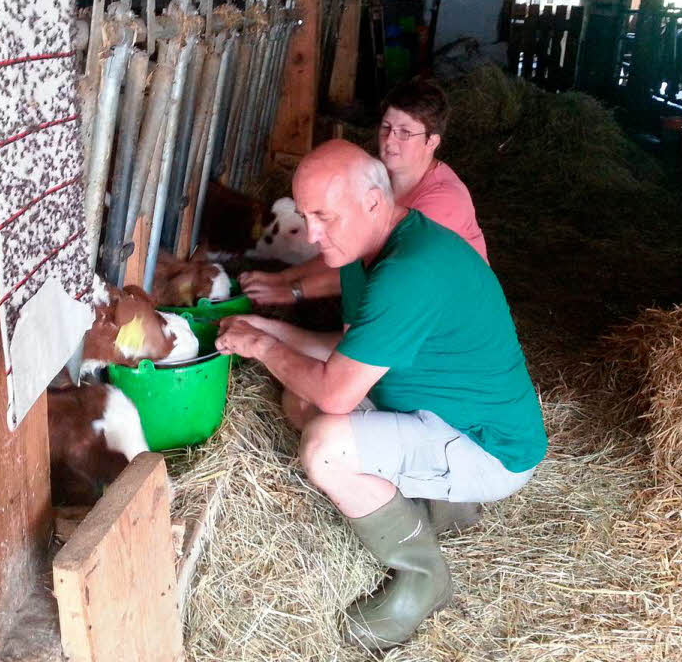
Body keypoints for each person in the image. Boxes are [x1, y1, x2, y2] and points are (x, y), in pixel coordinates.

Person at [215, 140, 547, 651]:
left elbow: (338, 394)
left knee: (325, 442)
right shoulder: (363, 252)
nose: (313, 234)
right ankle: (439, 506)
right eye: (306, 216)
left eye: (324, 216)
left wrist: (261, 345)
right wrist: (269, 329)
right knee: (298, 400)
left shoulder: (410, 271)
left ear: (373, 202)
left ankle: (423, 577)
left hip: (490, 447)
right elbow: (350, 354)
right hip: (438, 412)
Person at [239, 78, 487, 306]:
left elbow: (385, 268)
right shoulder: (379, 180)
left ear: (432, 141)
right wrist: (281, 279)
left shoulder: (443, 200)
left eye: (405, 133)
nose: (389, 141)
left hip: (447, 313)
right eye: (386, 128)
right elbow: (345, 246)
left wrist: (295, 291)